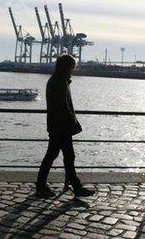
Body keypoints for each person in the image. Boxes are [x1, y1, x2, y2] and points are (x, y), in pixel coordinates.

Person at [35, 54, 95, 198]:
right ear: (66, 67)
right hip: (61, 126)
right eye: (72, 67)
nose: (73, 70)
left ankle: (43, 185)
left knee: (55, 155)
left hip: (57, 125)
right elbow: (63, 105)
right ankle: (74, 187)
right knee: (64, 156)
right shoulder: (60, 82)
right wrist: (73, 122)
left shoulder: (57, 80)